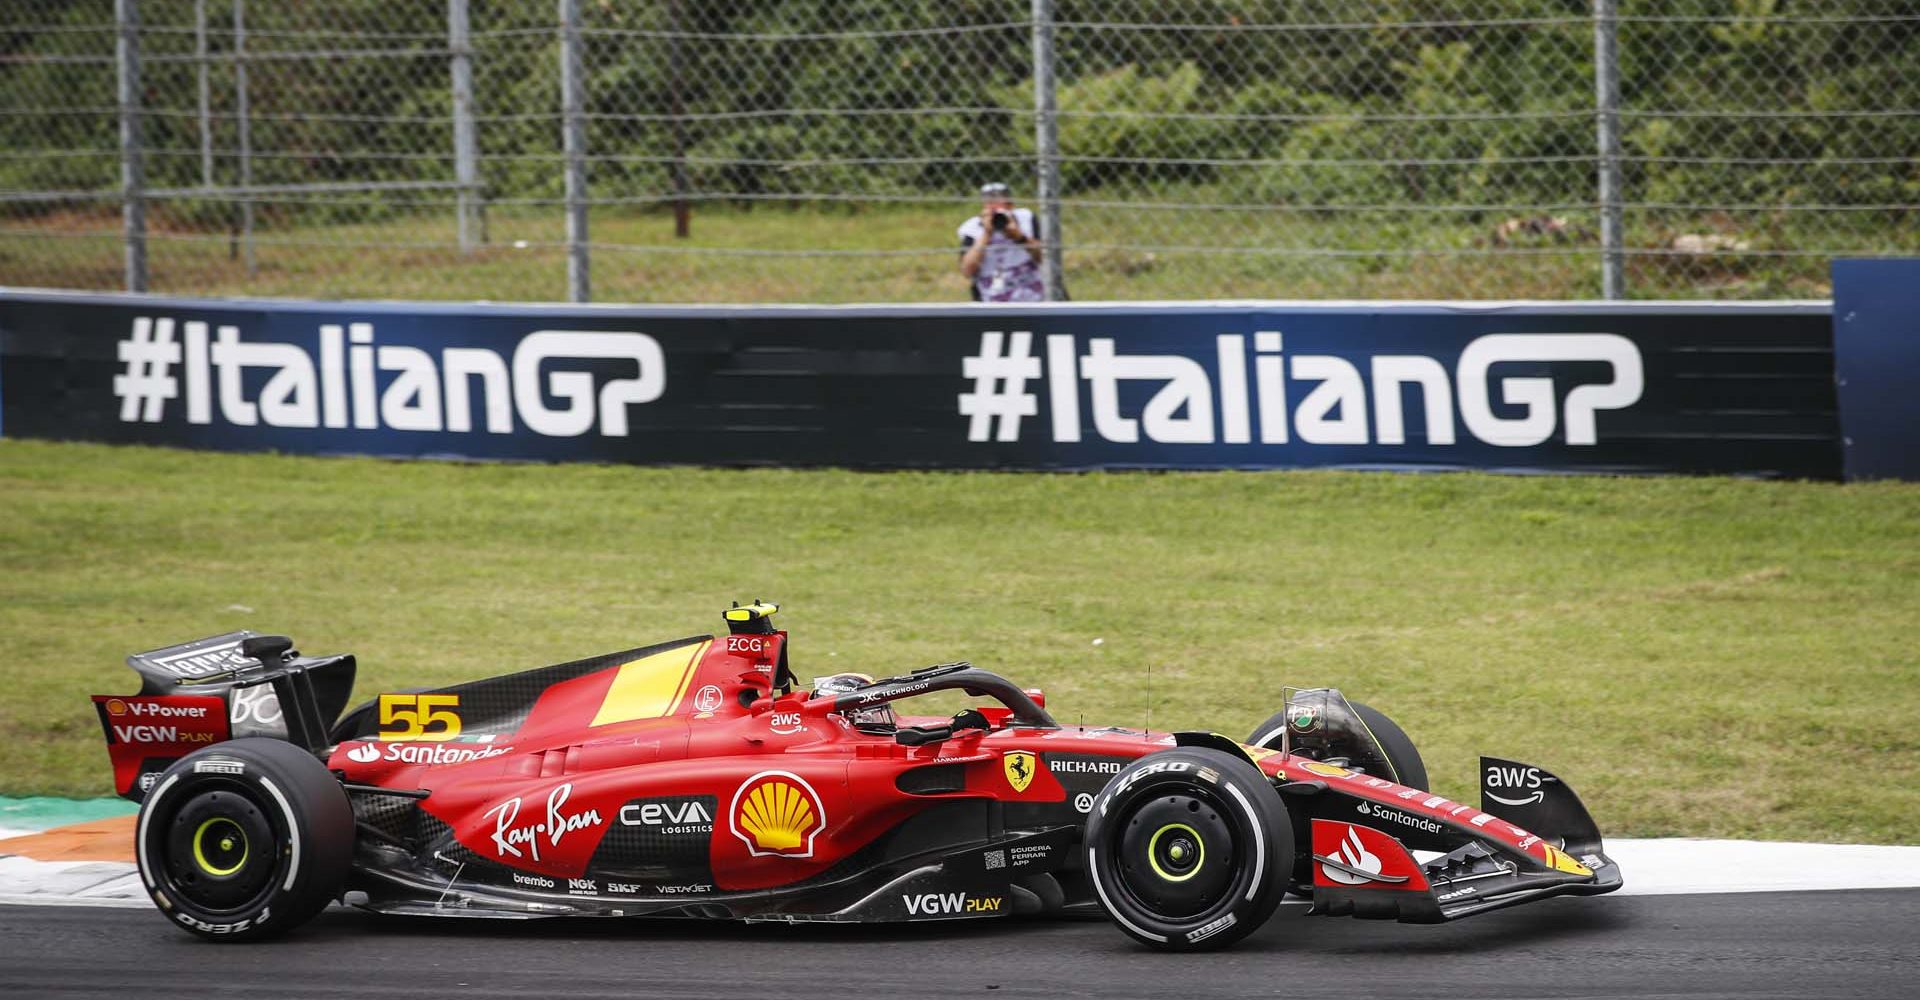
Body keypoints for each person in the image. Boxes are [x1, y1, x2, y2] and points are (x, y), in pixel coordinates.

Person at [958, 182, 1045, 302]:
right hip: (991, 300)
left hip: (1034, 296)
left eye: (999, 200)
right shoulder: (972, 228)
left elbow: (1045, 257)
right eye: (989, 202)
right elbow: (967, 271)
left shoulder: (1026, 219)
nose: (994, 206)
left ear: (1010, 205)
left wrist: (1019, 237)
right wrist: (986, 234)